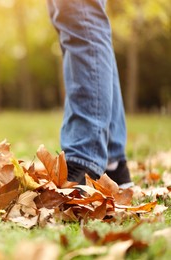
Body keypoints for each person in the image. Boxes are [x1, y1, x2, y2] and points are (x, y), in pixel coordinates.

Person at [46, 0, 133, 188]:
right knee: (72, 15)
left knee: (79, 12)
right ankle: (111, 163)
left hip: (85, 158)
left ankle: (85, 159)